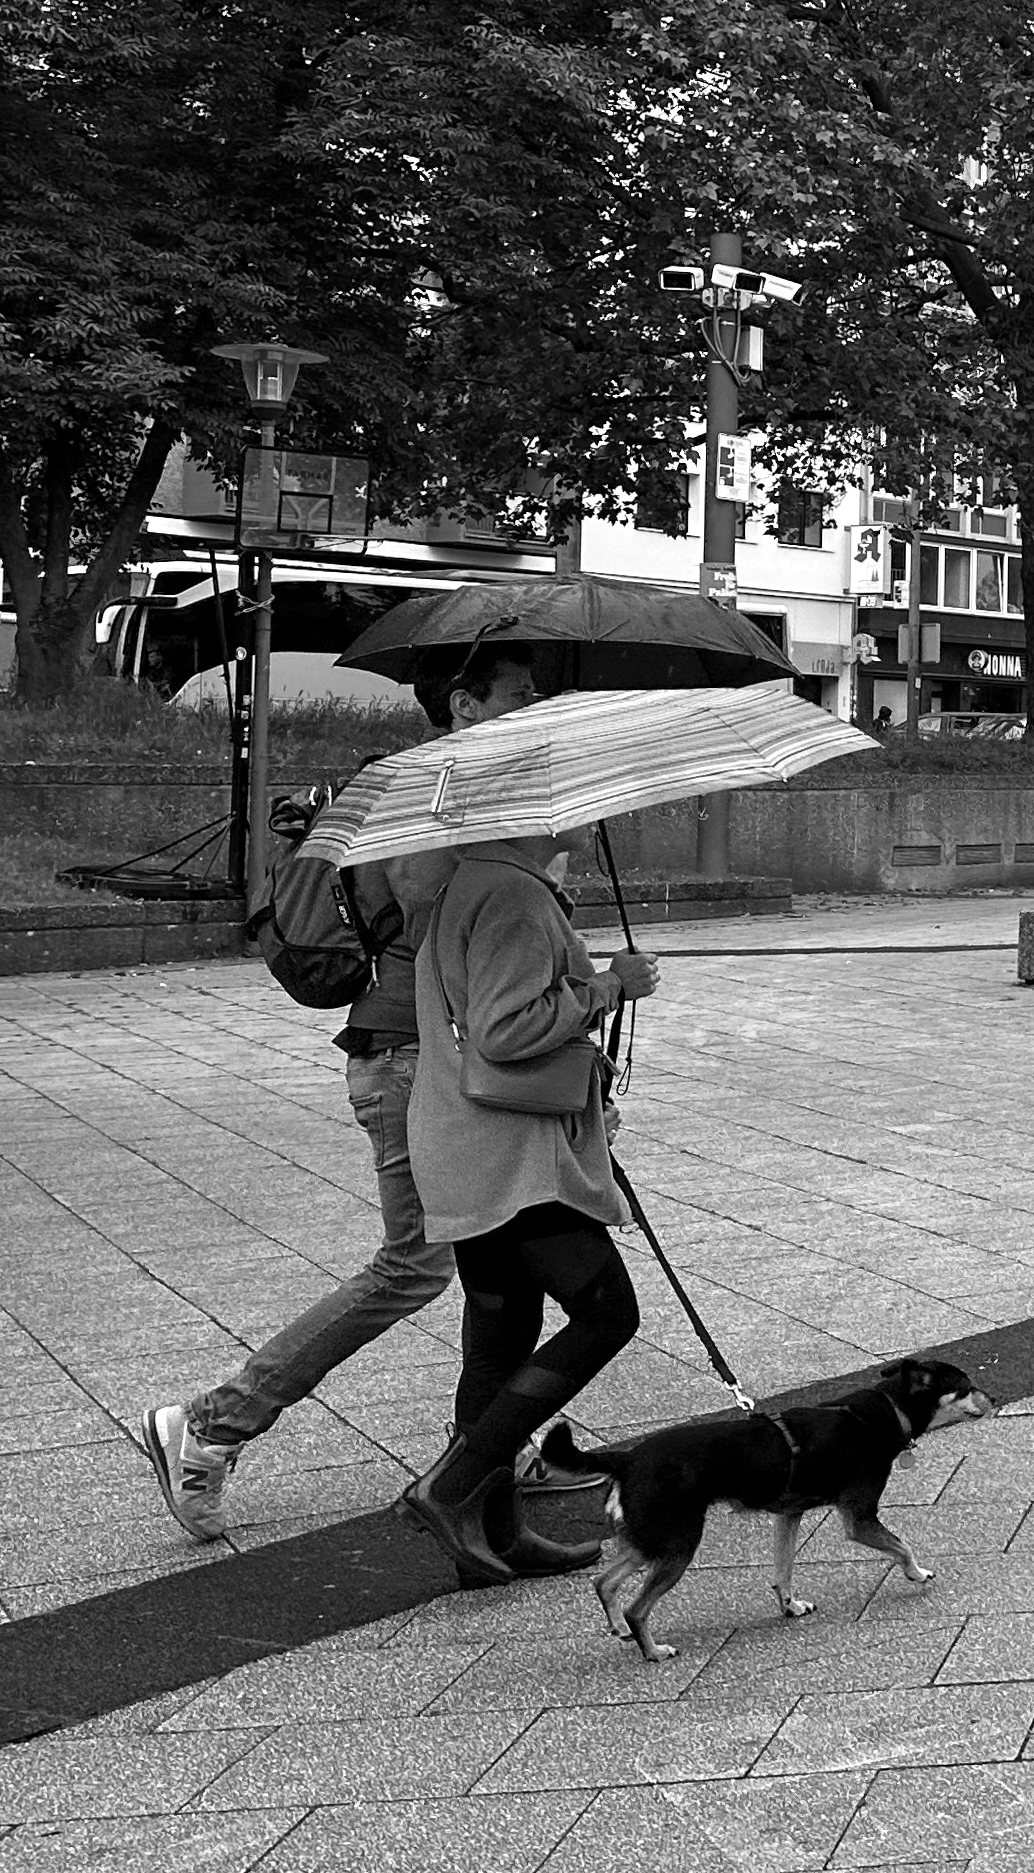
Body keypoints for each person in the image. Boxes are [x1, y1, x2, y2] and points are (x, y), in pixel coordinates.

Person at [129, 644, 610, 1541]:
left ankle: (490, 1455)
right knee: (416, 1266)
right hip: (416, 1058)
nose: (533, 705)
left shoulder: (473, 795)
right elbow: (448, 931)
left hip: (452, 1061)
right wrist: (529, 894)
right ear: (464, 703)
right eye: (518, 693)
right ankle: (214, 1423)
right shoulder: (423, 793)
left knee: (498, 1272)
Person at [396, 818, 659, 1585]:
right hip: (512, 1159)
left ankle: (497, 1536)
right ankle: (451, 1488)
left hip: (467, 1146)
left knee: (502, 1337)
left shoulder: (471, 882)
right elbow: (505, 1032)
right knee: (608, 1314)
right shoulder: (512, 895)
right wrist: (611, 986)